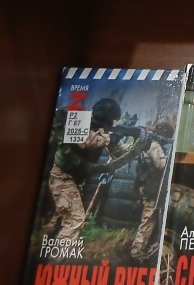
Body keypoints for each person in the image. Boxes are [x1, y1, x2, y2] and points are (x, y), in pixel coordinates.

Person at [43, 97, 123, 242]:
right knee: (75, 220)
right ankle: (60, 253)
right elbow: (84, 141)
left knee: (60, 217)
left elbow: (118, 152)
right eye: (111, 121)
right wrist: (110, 138)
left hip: (75, 179)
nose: (112, 124)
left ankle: (44, 244)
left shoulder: (103, 130)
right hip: (62, 176)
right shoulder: (79, 120)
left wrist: (138, 145)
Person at [130, 119, 175, 261]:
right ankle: (136, 252)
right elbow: (161, 165)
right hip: (151, 189)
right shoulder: (154, 145)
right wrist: (169, 158)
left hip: (149, 188)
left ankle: (139, 251)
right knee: (147, 221)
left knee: (149, 221)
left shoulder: (148, 144)